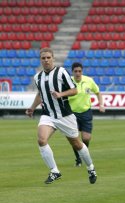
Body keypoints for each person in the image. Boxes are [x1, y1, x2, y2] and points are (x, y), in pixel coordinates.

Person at [25, 48, 97, 184]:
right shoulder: (37, 77)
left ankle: (91, 167)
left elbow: (74, 90)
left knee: (76, 143)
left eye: (48, 58)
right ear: (40, 60)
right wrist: (32, 108)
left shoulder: (61, 72)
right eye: (43, 58)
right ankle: (54, 171)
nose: (46, 60)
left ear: (53, 58)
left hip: (65, 115)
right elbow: (40, 94)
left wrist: (61, 94)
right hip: (48, 115)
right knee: (41, 140)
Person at [70, 62, 105, 167]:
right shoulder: (68, 82)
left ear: (82, 71)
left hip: (86, 112)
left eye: (79, 71)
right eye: (75, 71)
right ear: (72, 72)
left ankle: (83, 154)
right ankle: (78, 159)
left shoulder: (89, 81)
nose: (77, 73)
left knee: (86, 138)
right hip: (72, 114)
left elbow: (98, 92)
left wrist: (101, 104)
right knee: (74, 138)